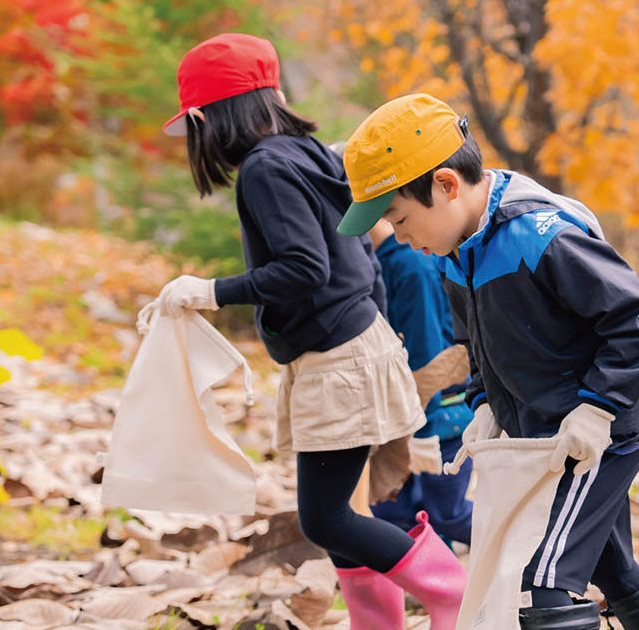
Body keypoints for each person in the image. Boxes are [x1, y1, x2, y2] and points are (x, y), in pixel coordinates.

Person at [336, 93, 639, 629]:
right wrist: (484, 402)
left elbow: (636, 321)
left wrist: (597, 408)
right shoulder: (455, 254)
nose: (401, 238)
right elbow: (475, 345)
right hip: (545, 436)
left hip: (598, 434)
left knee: (539, 583)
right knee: (613, 569)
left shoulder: (540, 235)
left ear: (446, 185)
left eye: (400, 218)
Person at [145, 34, 466, 630]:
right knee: (342, 521)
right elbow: (362, 261)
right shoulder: (309, 154)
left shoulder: (264, 169)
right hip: (353, 346)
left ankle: (456, 596)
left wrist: (210, 291)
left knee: (327, 519)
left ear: (207, 117)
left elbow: (303, 269)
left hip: (338, 358)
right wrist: (375, 335)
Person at [366, 218, 475, 546]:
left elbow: (425, 352)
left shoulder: (410, 264)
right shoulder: (378, 262)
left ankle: (536, 554)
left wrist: (422, 432)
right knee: (394, 513)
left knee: (448, 513)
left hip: (439, 413)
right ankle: (435, 574)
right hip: (404, 411)